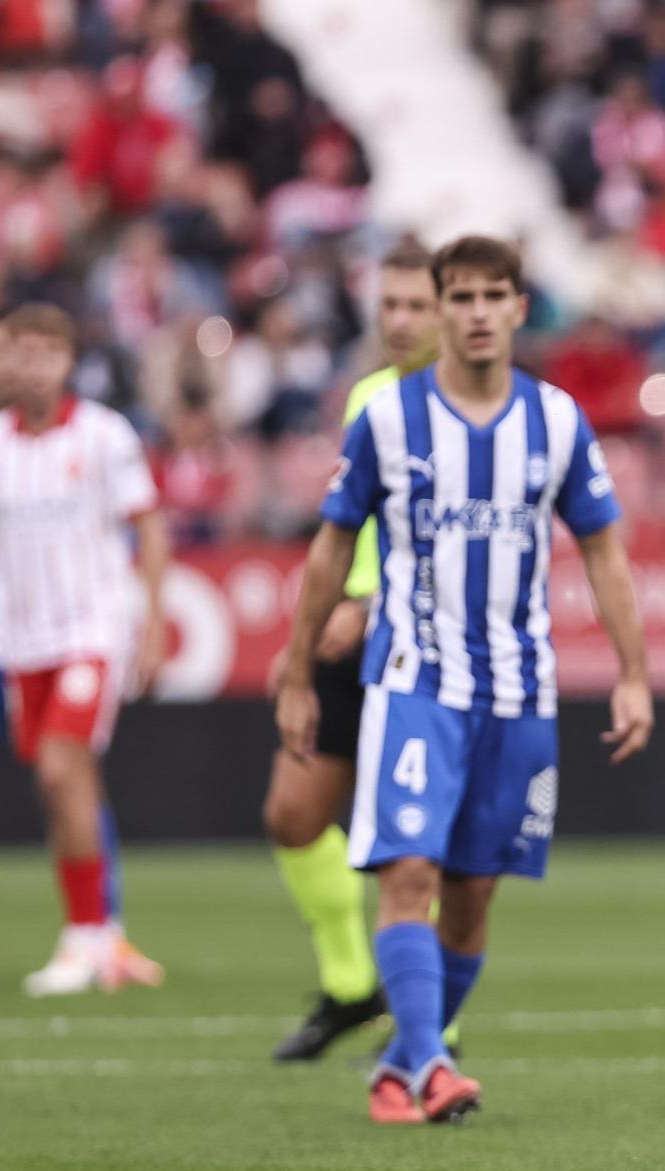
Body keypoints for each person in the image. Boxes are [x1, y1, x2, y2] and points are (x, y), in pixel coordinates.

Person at [276, 235, 653, 1124]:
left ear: (520, 308)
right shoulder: (389, 419)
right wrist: (297, 672)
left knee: (474, 893)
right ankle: (436, 1067)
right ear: (441, 308)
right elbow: (330, 548)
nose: (478, 312)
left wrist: (634, 673)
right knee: (409, 869)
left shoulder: (555, 421)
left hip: (520, 693)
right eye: (463, 296)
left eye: (494, 296)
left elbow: (603, 549)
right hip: (414, 680)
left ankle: (400, 1065)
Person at [0, 304, 170, 997]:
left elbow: (149, 525)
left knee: (59, 766)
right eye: (21, 352)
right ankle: (102, 937)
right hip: (21, 640)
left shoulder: (104, 434)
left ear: (69, 361)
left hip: (91, 630)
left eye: (47, 352)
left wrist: (152, 620)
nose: (33, 365)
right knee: (65, 783)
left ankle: (84, 938)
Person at [261, 239, 439, 1061]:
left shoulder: (477, 408)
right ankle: (350, 985)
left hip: (422, 643)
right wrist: (304, 640)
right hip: (348, 634)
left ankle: (435, 1029)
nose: (400, 321)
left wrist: (370, 604)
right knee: (293, 815)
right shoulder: (369, 394)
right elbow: (349, 526)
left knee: (413, 845)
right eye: (389, 305)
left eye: (416, 305)